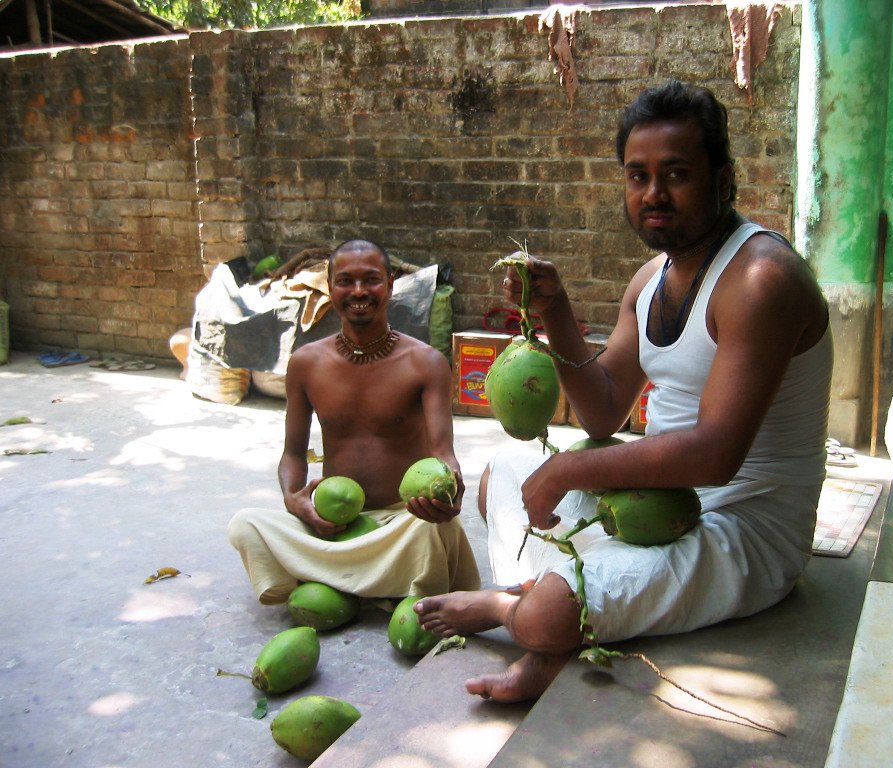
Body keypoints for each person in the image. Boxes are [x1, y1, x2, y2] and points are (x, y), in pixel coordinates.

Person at [414, 81, 832, 702]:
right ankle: (555, 610)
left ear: (724, 180)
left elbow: (716, 455)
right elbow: (605, 410)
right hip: (651, 504)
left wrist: (568, 476)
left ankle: (515, 614)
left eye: (676, 174)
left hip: (740, 528)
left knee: (549, 608)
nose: (654, 194)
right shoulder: (651, 278)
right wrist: (556, 313)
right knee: (501, 472)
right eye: (638, 176)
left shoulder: (760, 279)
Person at [228, 239, 480, 605]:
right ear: (329, 287)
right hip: (334, 522)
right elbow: (293, 455)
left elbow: (444, 455)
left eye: (371, 280)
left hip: (402, 520)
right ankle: (375, 584)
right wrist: (293, 500)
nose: (359, 291)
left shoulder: (425, 362)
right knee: (245, 524)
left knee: (437, 532)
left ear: (391, 284)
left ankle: (333, 579)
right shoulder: (306, 362)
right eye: (345, 280)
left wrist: (451, 492)